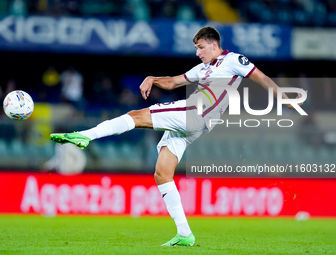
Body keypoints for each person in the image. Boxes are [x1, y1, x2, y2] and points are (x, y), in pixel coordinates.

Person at [50, 26, 305, 246]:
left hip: (196, 113)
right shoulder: (203, 68)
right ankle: (184, 234)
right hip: (193, 123)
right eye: (196, 48)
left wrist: (284, 99)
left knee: (136, 115)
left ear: (214, 44)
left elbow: (261, 78)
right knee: (162, 172)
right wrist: (152, 78)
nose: (198, 52)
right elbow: (173, 82)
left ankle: (84, 136)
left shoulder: (234, 60)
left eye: (201, 47)